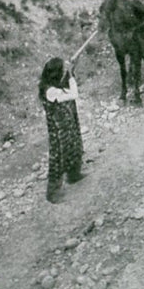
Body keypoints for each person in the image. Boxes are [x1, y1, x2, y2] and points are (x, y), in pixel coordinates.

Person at [39, 57, 84, 204]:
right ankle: (52, 193)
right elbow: (74, 94)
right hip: (59, 129)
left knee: (74, 144)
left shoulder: (54, 84)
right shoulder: (50, 90)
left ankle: (73, 174)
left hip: (68, 123)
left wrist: (70, 73)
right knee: (58, 156)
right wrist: (70, 76)